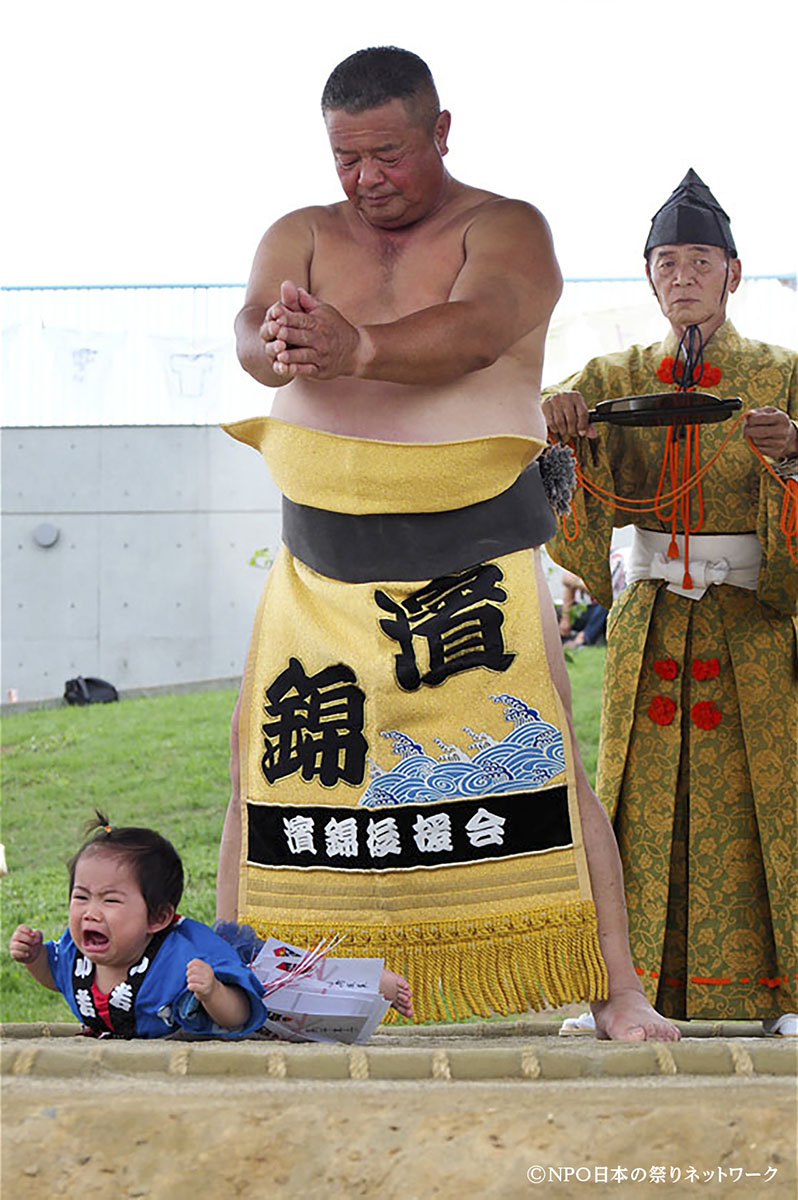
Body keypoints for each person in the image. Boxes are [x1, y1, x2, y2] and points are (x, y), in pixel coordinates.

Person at [218, 45, 678, 1041]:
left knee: (545, 767)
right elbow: (254, 327)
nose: (366, 177)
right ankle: (237, 990)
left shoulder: (504, 228)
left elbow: (481, 327)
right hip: (318, 569)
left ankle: (618, 992)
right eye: (347, 157)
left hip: (473, 564)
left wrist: (362, 347)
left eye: (388, 152)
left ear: (440, 129)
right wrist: (278, 345)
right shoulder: (299, 231)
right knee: (264, 773)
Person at [543, 170, 797, 1035]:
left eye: (699, 260)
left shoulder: (784, 377)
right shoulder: (609, 376)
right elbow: (573, 522)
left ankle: (789, 995)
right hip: (648, 617)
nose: (681, 276)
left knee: (775, 799)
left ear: (734, 271)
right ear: (649, 278)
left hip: (753, 625)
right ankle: (622, 990)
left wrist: (794, 461)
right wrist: (563, 434)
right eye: (665, 262)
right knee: (630, 805)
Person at [9, 814, 267, 1038]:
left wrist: (213, 992)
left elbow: (240, 1015)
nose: (91, 913)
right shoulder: (73, 951)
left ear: (158, 918)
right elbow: (57, 977)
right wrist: (35, 958)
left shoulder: (185, 957)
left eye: (110, 900)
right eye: (81, 897)